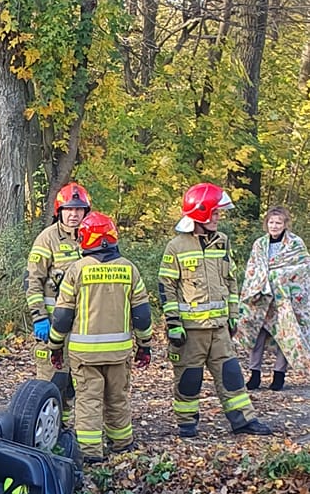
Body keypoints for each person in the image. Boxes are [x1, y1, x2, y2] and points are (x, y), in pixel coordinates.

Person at [157, 183, 271, 439]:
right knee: (189, 379)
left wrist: (233, 315)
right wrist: (173, 323)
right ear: (201, 213)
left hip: (219, 328)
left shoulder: (222, 242)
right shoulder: (176, 246)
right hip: (190, 331)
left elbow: (230, 281)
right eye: (215, 212)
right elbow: (166, 286)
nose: (218, 217)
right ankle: (187, 424)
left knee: (231, 375)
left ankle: (244, 420)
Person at [48, 211, 152, 462]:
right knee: (118, 398)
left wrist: (55, 346)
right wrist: (145, 346)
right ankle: (122, 444)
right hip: (118, 353)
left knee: (88, 401)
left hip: (85, 355)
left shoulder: (77, 270)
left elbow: (62, 316)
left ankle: (90, 453)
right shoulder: (129, 269)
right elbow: (142, 315)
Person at [24, 182, 91, 425]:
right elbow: (33, 281)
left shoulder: (92, 237)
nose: (73, 214)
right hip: (53, 325)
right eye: (68, 209)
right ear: (59, 211)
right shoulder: (47, 238)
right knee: (53, 382)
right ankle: (49, 429)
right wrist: (39, 317)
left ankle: (66, 428)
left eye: (78, 209)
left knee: (77, 384)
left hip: (84, 327)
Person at [235, 206, 310, 392]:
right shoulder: (259, 244)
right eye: (271, 222)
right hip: (262, 296)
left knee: (285, 333)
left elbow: (302, 269)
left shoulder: (295, 244)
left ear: (285, 224)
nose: (274, 226)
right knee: (257, 333)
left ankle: (279, 375)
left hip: (285, 299)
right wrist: (259, 283)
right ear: (266, 223)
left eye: (278, 222)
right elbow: (253, 268)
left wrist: (277, 276)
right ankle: (254, 374)